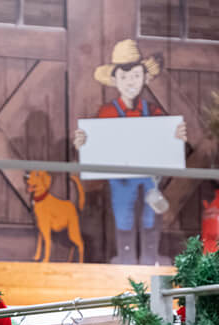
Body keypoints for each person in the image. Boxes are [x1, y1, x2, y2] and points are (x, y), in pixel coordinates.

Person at [73, 39, 187, 265]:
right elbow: (95, 144)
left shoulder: (153, 112)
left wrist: (176, 137)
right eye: (124, 77)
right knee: (123, 214)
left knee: (150, 215)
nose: (130, 82)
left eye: (135, 75)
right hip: (121, 178)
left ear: (145, 78)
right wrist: (83, 142)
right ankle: (126, 259)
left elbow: (165, 141)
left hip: (149, 176)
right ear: (115, 80)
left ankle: (149, 258)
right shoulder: (106, 113)